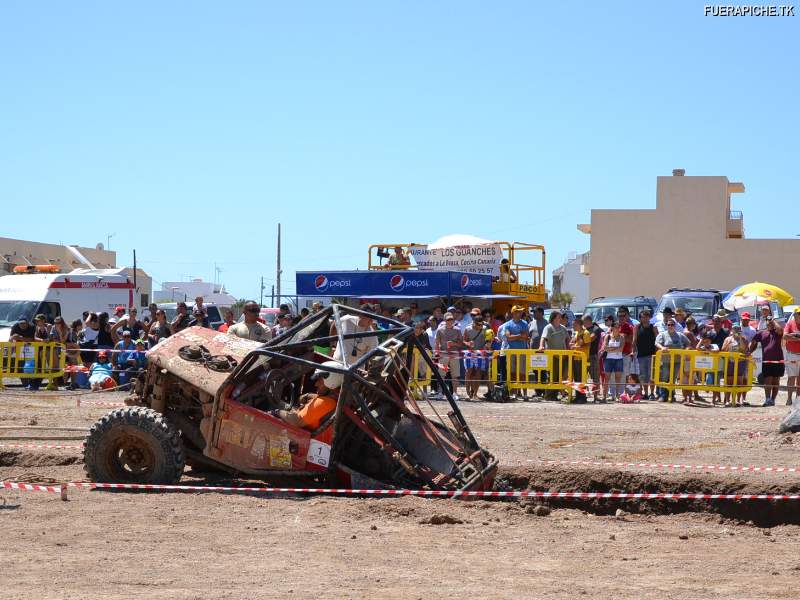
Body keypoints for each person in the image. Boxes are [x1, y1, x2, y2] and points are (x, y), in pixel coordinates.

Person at [271, 362, 342, 441]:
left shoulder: (323, 403)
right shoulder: (332, 399)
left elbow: (296, 420)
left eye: (320, 381)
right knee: (277, 402)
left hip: (298, 430)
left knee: (270, 405)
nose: (316, 384)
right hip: (301, 420)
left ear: (331, 383)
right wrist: (308, 395)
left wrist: (275, 412)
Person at [749, 316, 784, 406]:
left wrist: (773, 321)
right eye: (768, 321)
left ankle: (773, 399)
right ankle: (767, 399)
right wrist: (749, 351)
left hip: (778, 360)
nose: (769, 322)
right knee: (768, 380)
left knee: (776, 381)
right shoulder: (761, 332)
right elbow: (753, 342)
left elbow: (780, 329)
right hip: (766, 360)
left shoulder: (777, 332)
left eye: (771, 322)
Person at [655, 319, 691, 402]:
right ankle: (663, 395)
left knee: (673, 378)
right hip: (666, 360)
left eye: (672, 325)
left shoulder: (680, 335)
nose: (670, 326)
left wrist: (686, 350)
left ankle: (671, 395)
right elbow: (657, 343)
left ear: (675, 326)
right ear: (666, 326)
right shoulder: (663, 334)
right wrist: (662, 348)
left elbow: (688, 343)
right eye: (669, 325)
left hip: (677, 360)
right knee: (665, 377)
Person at [498, 305, 529, 394]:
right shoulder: (507, 324)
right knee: (512, 373)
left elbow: (526, 336)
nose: (521, 313)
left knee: (522, 373)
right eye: (519, 311)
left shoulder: (525, 323)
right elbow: (508, 337)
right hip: (511, 352)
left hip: (522, 351)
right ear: (514, 313)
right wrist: (520, 336)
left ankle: (525, 394)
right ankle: (514, 393)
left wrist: (515, 336)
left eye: (521, 311)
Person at [539, 310, 569, 401]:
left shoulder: (563, 328)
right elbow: (543, 338)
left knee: (561, 376)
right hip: (553, 356)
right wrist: (541, 346)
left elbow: (567, 339)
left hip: (563, 356)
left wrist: (569, 348)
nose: (561, 318)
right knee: (552, 376)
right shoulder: (548, 327)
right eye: (559, 317)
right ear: (554, 318)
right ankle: (549, 396)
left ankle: (555, 395)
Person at [435, 312, 464, 398]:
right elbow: (437, 343)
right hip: (443, 354)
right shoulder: (440, 330)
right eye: (448, 319)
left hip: (454, 354)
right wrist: (437, 353)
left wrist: (453, 344)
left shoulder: (457, 330)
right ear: (445, 320)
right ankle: (440, 393)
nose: (450, 321)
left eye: (451, 319)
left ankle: (454, 393)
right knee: (441, 374)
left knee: (455, 374)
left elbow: (461, 343)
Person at [721, 324, 750, 407]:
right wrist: (729, 343)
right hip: (730, 362)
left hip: (740, 362)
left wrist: (740, 338)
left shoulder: (744, 339)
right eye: (735, 329)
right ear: (732, 330)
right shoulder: (728, 339)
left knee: (739, 381)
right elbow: (723, 350)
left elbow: (745, 350)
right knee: (728, 381)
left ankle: (737, 400)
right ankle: (727, 400)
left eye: (738, 329)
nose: (736, 330)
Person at [463, 311, 489, 400]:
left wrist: (488, 344)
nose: (480, 327)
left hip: (481, 353)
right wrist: (468, 343)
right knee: (468, 372)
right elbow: (464, 341)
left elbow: (488, 340)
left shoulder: (485, 329)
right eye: (478, 325)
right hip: (470, 352)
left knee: (478, 373)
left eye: (481, 325)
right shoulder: (468, 329)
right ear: (474, 323)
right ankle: (467, 393)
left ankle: (475, 394)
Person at [634, 310, 657, 399]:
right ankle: (646, 393)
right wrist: (633, 351)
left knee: (651, 375)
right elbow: (634, 340)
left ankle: (652, 393)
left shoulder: (653, 327)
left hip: (652, 355)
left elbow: (657, 340)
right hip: (641, 355)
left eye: (646, 316)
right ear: (640, 318)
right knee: (643, 376)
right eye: (643, 317)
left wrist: (657, 354)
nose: (645, 318)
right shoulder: (637, 327)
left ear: (649, 317)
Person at [696, 331, 721, 405]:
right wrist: (701, 340)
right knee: (709, 381)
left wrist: (708, 350)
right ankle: (716, 396)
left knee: (716, 384)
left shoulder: (714, 345)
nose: (706, 342)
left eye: (708, 341)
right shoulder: (702, 346)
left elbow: (717, 350)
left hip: (717, 368)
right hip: (709, 369)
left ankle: (714, 400)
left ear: (710, 341)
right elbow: (697, 348)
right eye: (705, 341)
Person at [602, 321, 625, 401]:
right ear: (612, 328)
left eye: (618, 327)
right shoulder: (607, 336)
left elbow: (621, 349)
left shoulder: (622, 337)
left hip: (619, 359)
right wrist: (616, 350)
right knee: (607, 378)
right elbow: (604, 348)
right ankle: (604, 396)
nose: (617, 329)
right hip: (609, 359)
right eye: (615, 327)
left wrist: (610, 349)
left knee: (618, 378)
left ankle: (618, 396)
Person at [570, 318, 592, 403]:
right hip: (576, 358)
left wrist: (576, 347)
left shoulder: (585, 333)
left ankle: (582, 397)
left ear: (579, 324)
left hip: (582, 359)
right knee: (577, 379)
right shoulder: (577, 333)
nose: (573, 326)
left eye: (574, 324)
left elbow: (587, 345)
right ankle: (578, 396)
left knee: (582, 379)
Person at [582, 315, 602, 402]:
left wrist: (579, 342)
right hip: (583, 355)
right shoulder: (583, 330)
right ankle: (582, 395)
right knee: (582, 377)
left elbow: (590, 339)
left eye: (583, 322)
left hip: (592, 356)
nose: (583, 324)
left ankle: (596, 396)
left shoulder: (596, 329)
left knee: (595, 377)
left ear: (588, 321)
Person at [784, 307, 800, 405]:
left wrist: (792, 337)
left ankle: (798, 399)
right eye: (798, 314)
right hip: (791, 354)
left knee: (799, 378)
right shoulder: (790, 324)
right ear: (795, 315)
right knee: (791, 377)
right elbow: (785, 336)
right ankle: (789, 399)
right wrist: (797, 339)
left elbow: (789, 337)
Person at [616, 307, 636, 379]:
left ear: (626, 316)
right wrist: (622, 337)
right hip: (615, 354)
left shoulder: (630, 327)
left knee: (625, 375)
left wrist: (619, 337)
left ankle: (625, 390)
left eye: (623, 316)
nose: (621, 317)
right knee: (616, 375)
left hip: (625, 354)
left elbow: (630, 340)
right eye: (620, 316)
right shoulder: (615, 326)